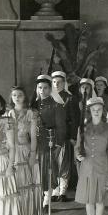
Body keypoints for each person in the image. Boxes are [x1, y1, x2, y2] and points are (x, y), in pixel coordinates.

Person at [74, 95, 108, 215]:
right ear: (90, 111)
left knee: (99, 200)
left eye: (99, 109)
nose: (96, 112)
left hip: (102, 166)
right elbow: (77, 146)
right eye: (94, 110)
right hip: (86, 167)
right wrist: (78, 154)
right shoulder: (83, 127)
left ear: (103, 111)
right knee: (88, 200)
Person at [7, 85, 43, 215]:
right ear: (11, 97)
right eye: (14, 95)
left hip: (26, 149)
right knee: (15, 183)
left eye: (20, 95)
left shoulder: (31, 113)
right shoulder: (7, 114)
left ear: (25, 97)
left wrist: (33, 154)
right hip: (12, 151)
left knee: (27, 182)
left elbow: (33, 137)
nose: (17, 97)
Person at [35, 73, 68, 204]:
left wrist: (59, 145)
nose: (42, 91)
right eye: (40, 87)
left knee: (48, 169)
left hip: (50, 140)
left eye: (45, 88)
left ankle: (47, 198)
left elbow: (61, 127)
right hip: (35, 141)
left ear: (51, 89)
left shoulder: (57, 105)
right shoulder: (34, 104)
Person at [50, 70, 80, 200]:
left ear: (64, 83)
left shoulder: (70, 98)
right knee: (52, 163)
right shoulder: (48, 98)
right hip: (51, 136)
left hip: (65, 136)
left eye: (59, 82)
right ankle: (54, 191)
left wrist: (73, 136)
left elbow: (74, 118)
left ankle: (62, 191)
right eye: (54, 82)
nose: (56, 84)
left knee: (64, 163)